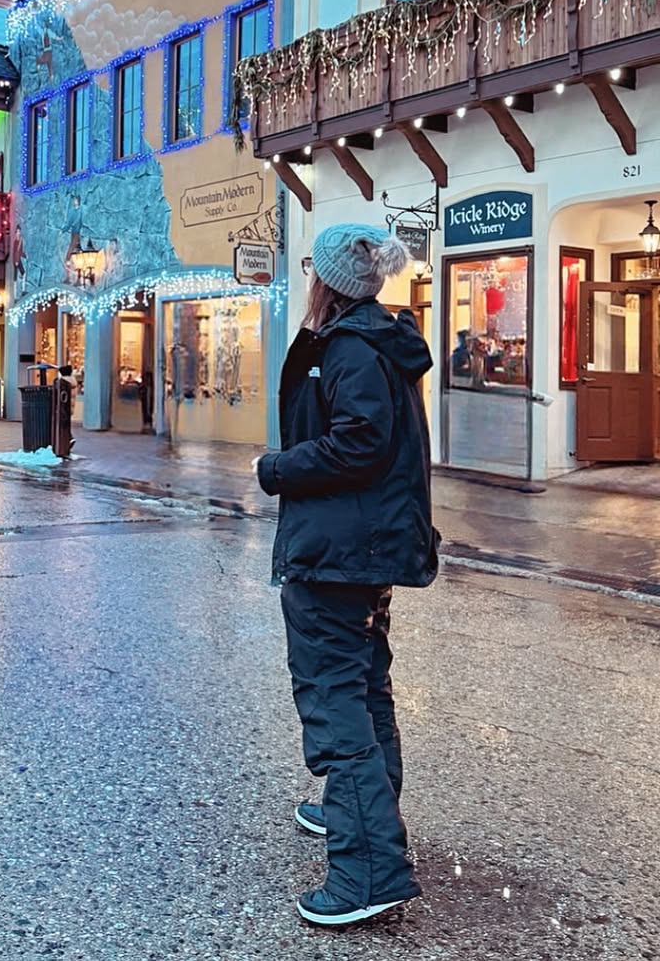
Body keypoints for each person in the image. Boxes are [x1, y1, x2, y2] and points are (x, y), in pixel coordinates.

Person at [253, 224, 439, 928]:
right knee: (363, 685)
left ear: (326, 279)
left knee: (335, 697)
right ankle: (364, 815)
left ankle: (368, 870)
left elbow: (358, 443)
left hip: (340, 548)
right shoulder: (366, 339)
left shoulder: (353, 346)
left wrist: (276, 469)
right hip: (361, 542)